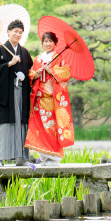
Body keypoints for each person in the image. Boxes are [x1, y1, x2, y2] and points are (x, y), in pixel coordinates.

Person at [25, 31, 75, 165]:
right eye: (45, 42)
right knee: (40, 128)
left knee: (51, 127)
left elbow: (65, 74)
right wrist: (36, 74)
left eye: (50, 41)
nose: (48, 44)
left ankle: (54, 157)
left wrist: (51, 71)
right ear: (42, 44)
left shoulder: (59, 58)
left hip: (52, 100)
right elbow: (31, 76)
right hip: (39, 100)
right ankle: (44, 157)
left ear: (55, 44)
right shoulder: (37, 59)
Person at [0, 20, 33, 166]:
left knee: (21, 122)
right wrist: (9, 64)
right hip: (6, 93)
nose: (18, 34)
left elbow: (30, 71)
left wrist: (32, 74)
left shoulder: (24, 53)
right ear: (8, 32)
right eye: (15, 31)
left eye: (20, 32)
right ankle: (1, 158)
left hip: (22, 92)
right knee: (6, 124)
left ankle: (21, 158)